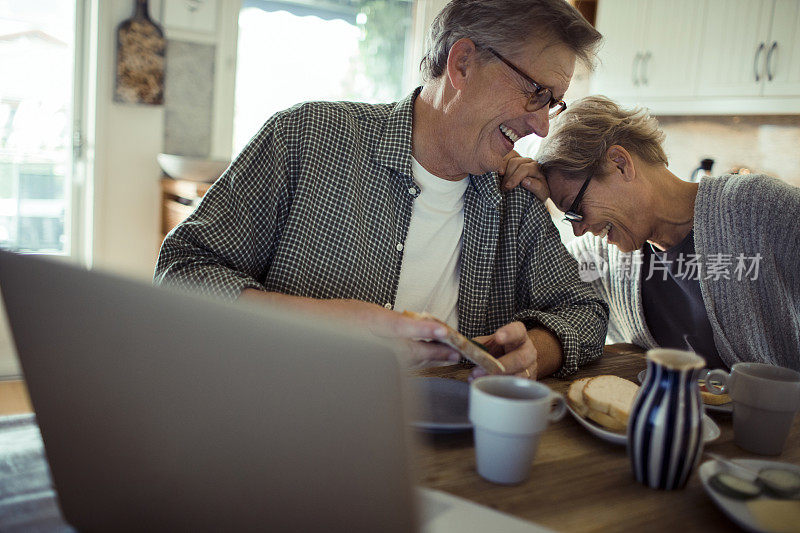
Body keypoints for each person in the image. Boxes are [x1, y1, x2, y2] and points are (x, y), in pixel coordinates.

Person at [154, 0, 608, 379]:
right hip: (282, 429)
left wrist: (535, 352)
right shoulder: (305, 139)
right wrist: (334, 325)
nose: (543, 125)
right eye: (535, 93)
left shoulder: (514, 196)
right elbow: (181, 272)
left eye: (553, 102)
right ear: (463, 63)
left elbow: (586, 311)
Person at [502, 95, 800, 371]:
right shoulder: (602, 257)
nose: (579, 231)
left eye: (576, 208)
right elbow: (529, 287)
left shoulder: (758, 208)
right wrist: (530, 201)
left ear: (620, 164)